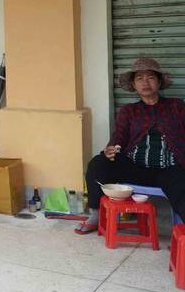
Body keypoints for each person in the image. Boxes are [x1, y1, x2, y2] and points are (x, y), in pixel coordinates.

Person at [75, 57, 185, 234]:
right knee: (97, 163)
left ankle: (181, 233)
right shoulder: (129, 111)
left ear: (159, 81)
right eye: (139, 78)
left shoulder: (176, 106)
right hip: (135, 169)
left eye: (150, 77)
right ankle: (95, 214)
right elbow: (119, 135)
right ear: (134, 85)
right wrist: (111, 148)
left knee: (182, 186)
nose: (145, 82)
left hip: (170, 169)